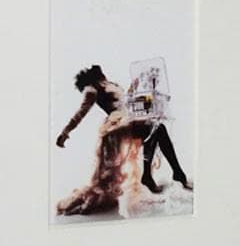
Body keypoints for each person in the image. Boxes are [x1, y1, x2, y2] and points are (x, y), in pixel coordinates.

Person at [55, 64, 191, 216]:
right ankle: (171, 173)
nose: (104, 74)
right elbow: (82, 111)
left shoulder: (111, 84)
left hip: (130, 117)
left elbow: (126, 102)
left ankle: (159, 175)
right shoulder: (91, 88)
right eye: (100, 72)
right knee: (155, 128)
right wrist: (65, 132)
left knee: (157, 129)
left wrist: (137, 86)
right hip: (117, 123)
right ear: (94, 75)